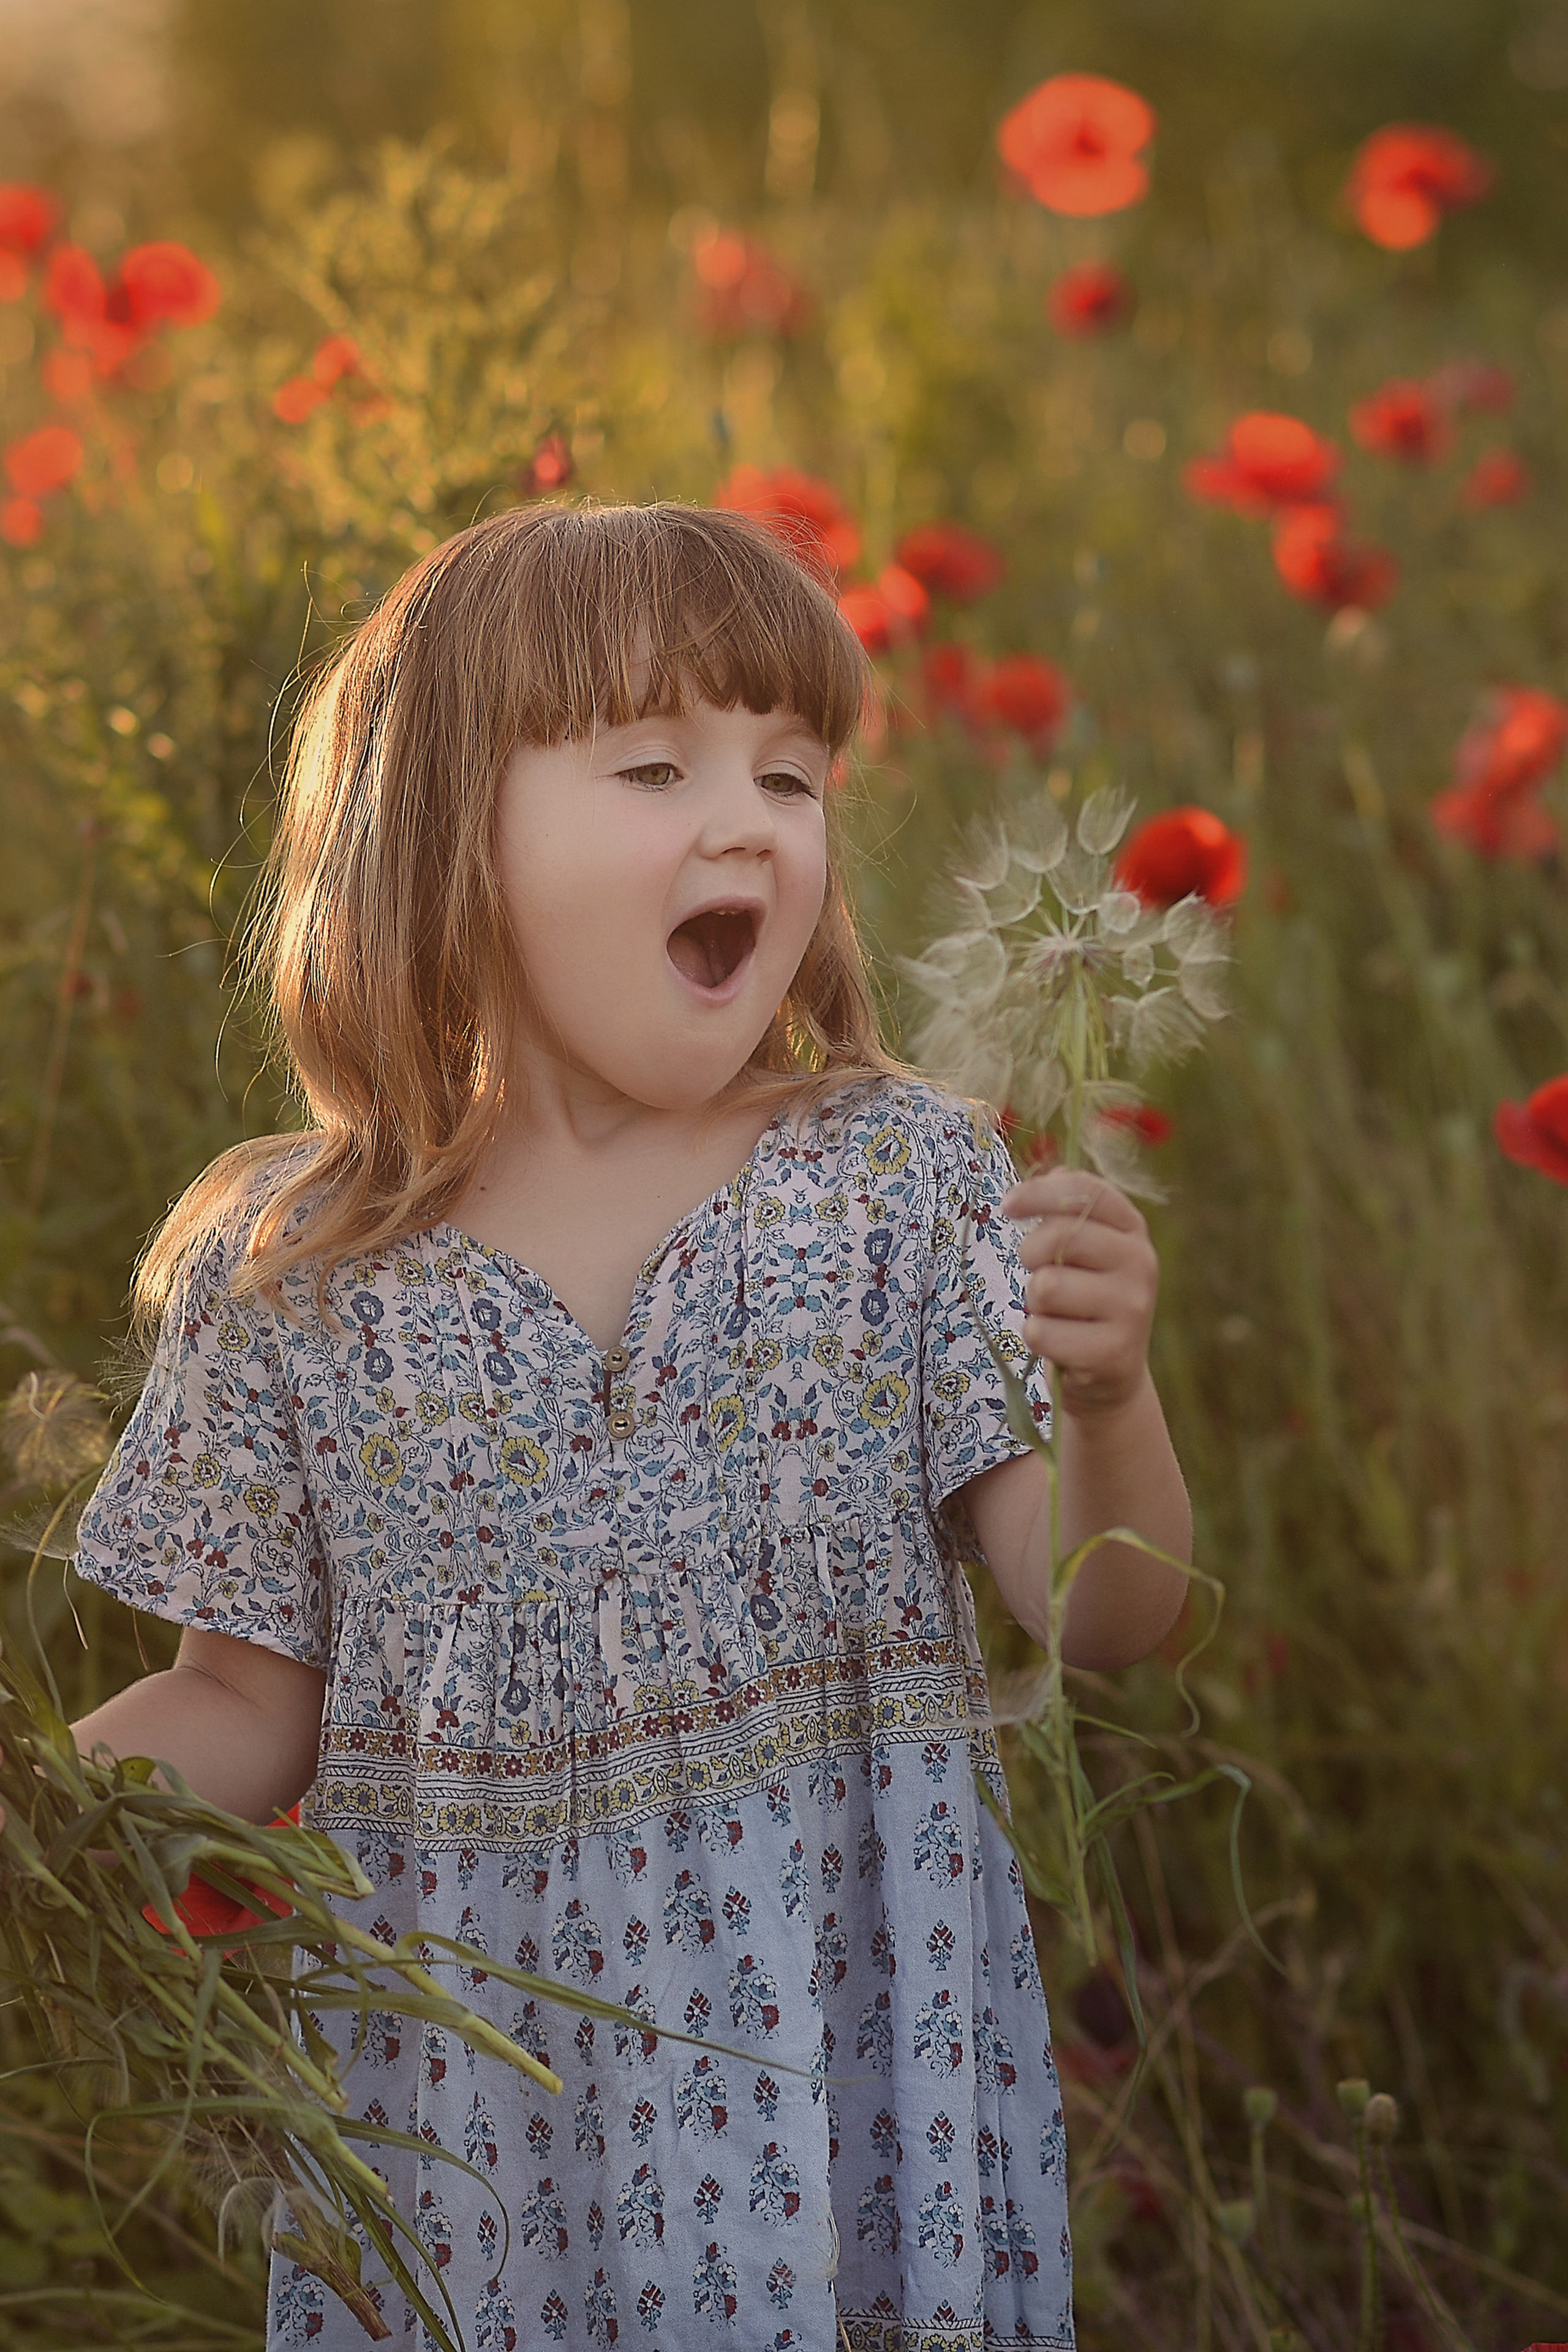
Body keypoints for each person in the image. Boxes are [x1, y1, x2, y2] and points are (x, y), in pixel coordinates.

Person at [62, 502, 1189, 2351]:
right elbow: (239, 1704)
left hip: (847, 2109)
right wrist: (48, 1806)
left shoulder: (891, 1186)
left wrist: (1112, 1395)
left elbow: (1102, 1612)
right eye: (654, 766)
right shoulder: (299, 1273)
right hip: (476, 2148)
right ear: (444, 834)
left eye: (792, 773)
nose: (746, 817)